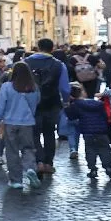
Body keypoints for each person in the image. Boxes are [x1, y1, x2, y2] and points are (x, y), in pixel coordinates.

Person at [0, 61, 41, 190]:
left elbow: (1, 105)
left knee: (12, 151)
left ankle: (16, 180)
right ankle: (30, 168)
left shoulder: (7, 87)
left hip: (10, 123)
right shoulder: (33, 87)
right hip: (27, 122)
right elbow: (35, 104)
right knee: (28, 148)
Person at [25, 39, 70, 175]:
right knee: (49, 133)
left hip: (31, 104)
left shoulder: (26, 62)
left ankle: (38, 161)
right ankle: (48, 163)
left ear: (38, 47)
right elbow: (65, 88)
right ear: (52, 48)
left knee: (34, 134)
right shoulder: (59, 64)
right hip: (52, 102)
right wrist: (66, 101)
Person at [64, 83, 111, 181]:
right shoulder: (98, 104)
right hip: (101, 131)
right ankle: (108, 167)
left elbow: (71, 117)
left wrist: (67, 106)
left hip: (88, 132)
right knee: (105, 149)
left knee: (90, 150)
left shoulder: (76, 105)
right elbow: (105, 116)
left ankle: (93, 169)